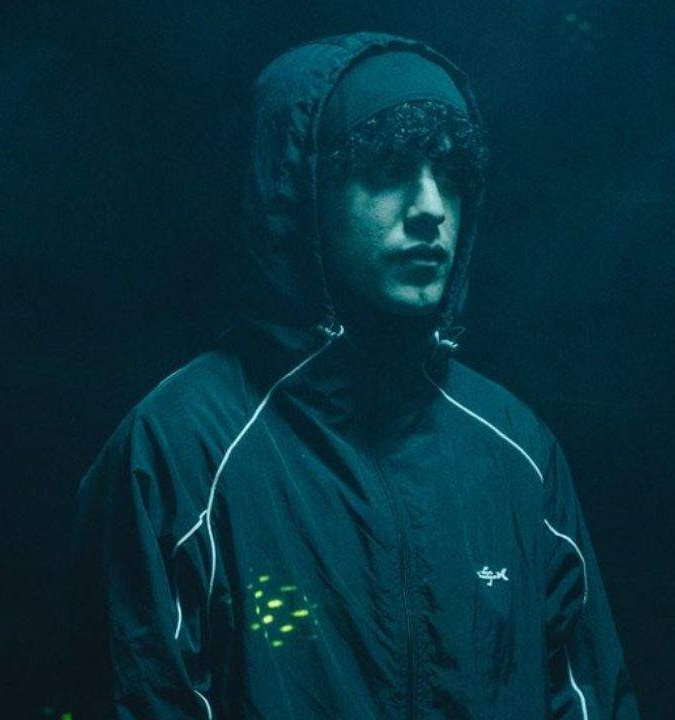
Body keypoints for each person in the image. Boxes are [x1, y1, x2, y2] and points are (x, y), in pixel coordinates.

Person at [68, 31, 640, 720]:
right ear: (304, 194)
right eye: (389, 169)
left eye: (450, 174)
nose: (430, 207)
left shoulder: (518, 453)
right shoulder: (182, 448)